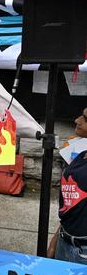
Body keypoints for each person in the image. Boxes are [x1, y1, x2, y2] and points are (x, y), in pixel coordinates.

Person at [53, 107, 87, 264]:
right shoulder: (81, 155)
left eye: (85, 119)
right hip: (64, 242)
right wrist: (54, 243)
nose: (77, 120)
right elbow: (71, 207)